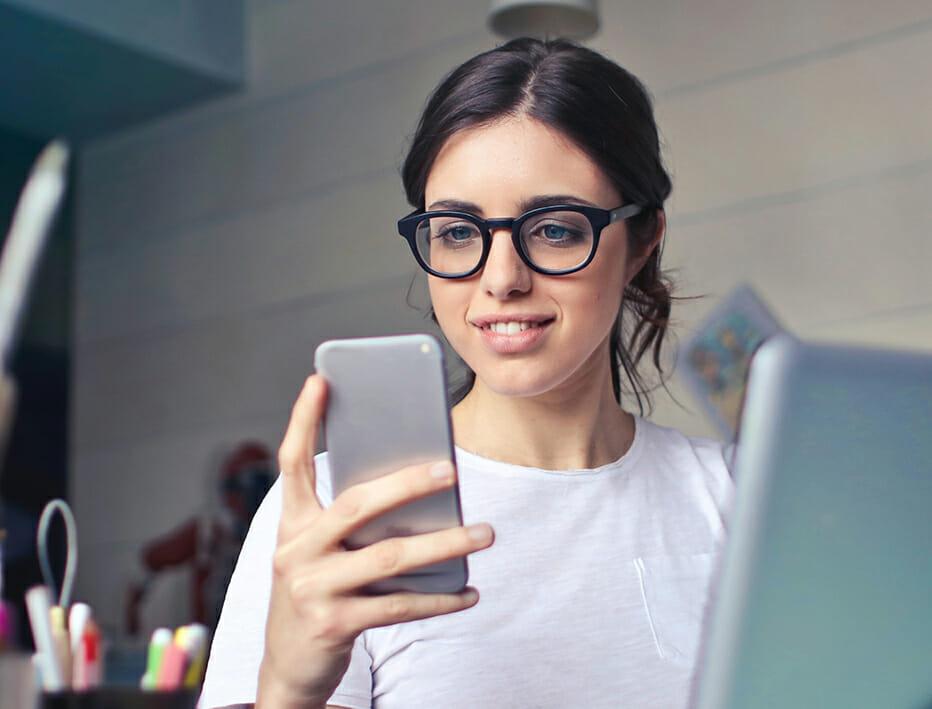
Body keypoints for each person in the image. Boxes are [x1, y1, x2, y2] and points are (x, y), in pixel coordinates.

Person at [200, 37, 733, 709]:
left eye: (556, 229)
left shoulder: (739, 499)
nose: (502, 278)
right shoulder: (338, 513)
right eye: (456, 232)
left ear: (642, 239)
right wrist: (287, 687)